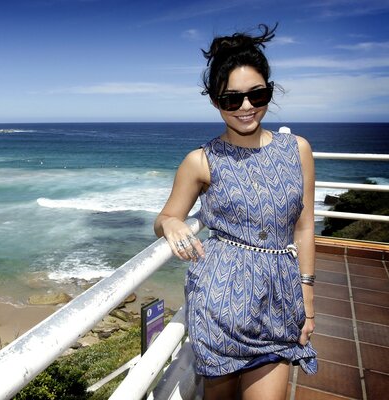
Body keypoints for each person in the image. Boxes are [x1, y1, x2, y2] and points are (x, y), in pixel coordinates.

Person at [154, 24, 317, 399]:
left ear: (269, 92)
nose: (246, 107)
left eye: (257, 94)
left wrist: (307, 299)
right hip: (221, 303)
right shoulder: (200, 161)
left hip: (281, 299)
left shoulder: (298, 150)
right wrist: (173, 222)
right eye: (232, 99)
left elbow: (305, 227)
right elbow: (163, 218)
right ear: (215, 101)